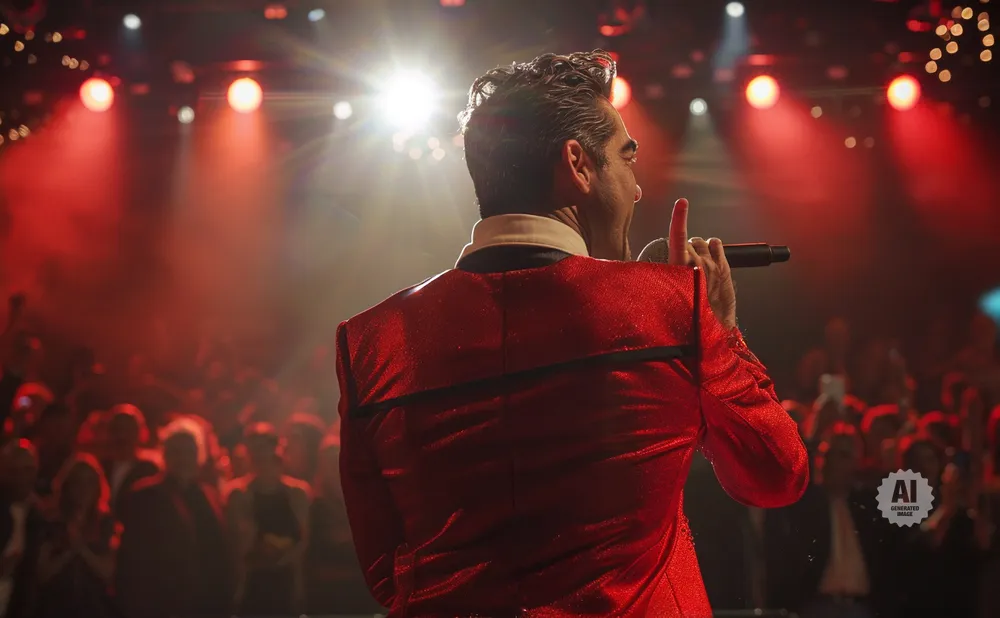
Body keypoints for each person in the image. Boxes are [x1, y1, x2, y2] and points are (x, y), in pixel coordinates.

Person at [336, 50, 809, 617]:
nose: (636, 191)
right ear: (579, 165)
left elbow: (385, 568)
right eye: (626, 161)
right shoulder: (670, 307)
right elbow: (776, 475)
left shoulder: (369, 342)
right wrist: (719, 329)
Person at [116, 417, 231, 618]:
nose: (183, 458)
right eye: (176, 451)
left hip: (206, 603)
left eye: (189, 452)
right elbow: (133, 559)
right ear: (165, 455)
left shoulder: (209, 496)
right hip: (161, 604)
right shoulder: (145, 495)